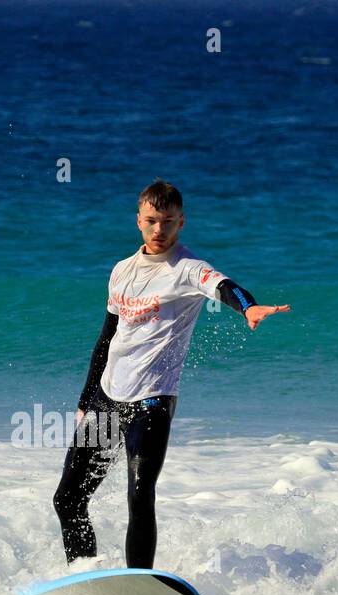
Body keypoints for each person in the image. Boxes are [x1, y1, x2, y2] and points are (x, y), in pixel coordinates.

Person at [52, 179, 290, 569]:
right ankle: (84, 576)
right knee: (68, 499)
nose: (159, 230)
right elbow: (107, 337)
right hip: (107, 401)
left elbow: (224, 286)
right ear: (138, 222)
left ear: (181, 222)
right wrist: (85, 400)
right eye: (151, 221)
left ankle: (139, 585)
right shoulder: (122, 271)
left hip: (152, 402)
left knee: (140, 495)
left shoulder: (188, 268)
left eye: (167, 222)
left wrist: (248, 307)